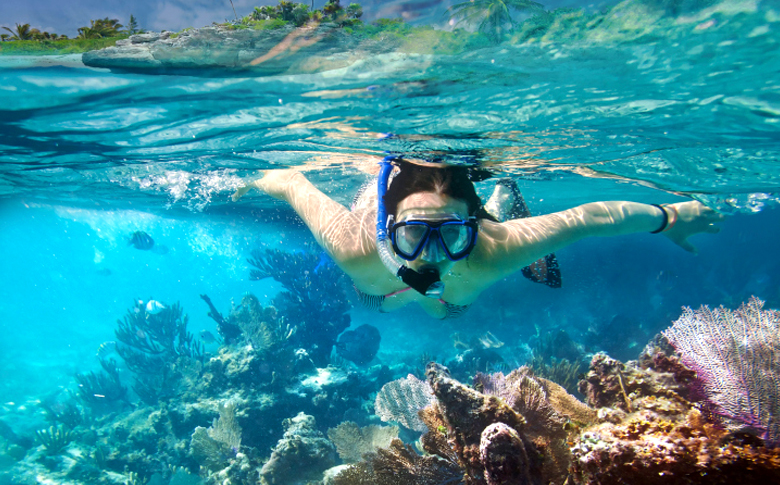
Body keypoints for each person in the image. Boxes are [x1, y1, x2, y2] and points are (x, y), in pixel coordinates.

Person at [233, 157, 723, 319]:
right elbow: (291, 181)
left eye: (450, 234)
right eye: (413, 233)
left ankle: (500, 199)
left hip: (455, 288)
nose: (430, 254)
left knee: (446, 309)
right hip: (379, 291)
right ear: (388, 229)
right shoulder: (355, 246)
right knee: (378, 300)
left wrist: (670, 217)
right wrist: (250, 179)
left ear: (472, 227)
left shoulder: (493, 248)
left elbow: (589, 217)